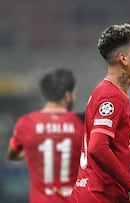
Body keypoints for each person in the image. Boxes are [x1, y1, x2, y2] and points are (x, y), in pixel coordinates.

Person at [70, 23, 130, 203]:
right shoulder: (111, 96)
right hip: (99, 196)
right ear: (124, 58)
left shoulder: (110, 93)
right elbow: (97, 147)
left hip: (96, 193)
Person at [7, 68, 83, 203]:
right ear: (67, 96)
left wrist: (31, 150)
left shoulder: (26, 123)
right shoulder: (81, 123)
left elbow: (12, 154)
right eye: (74, 93)